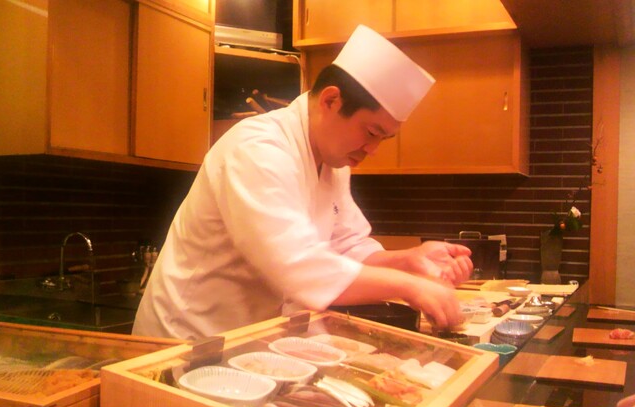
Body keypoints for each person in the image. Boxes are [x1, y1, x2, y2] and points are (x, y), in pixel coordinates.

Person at [132, 25, 473, 340]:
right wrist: (411, 287)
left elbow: (347, 247)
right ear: (330, 100)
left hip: (246, 342)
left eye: (383, 139)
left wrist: (409, 259)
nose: (372, 149)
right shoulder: (257, 148)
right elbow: (298, 266)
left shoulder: (334, 162)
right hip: (183, 340)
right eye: (372, 132)